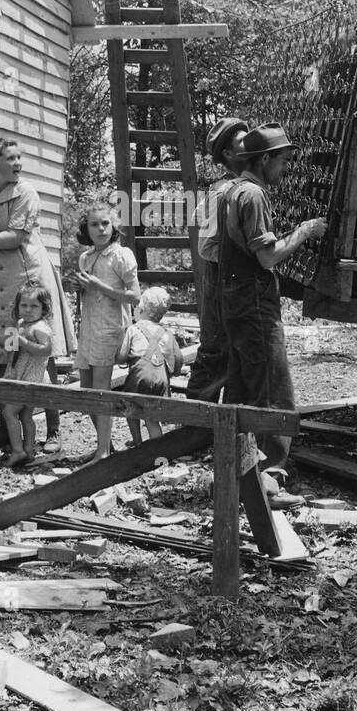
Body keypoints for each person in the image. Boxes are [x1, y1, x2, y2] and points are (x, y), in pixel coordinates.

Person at [217, 124, 328, 505]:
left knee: (244, 386)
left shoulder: (231, 190)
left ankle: (235, 474)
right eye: (282, 161)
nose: (285, 169)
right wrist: (304, 231)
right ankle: (268, 479)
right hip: (253, 302)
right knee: (274, 390)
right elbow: (268, 257)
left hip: (234, 298)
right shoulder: (255, 196)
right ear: (264, 159)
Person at [0, 138, 75, 454]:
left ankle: (53, 429)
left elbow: (12, 238)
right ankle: (8, 429)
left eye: (20, 157)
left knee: (40, 352)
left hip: (28, 273)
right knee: (8, 349)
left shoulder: (27, 193)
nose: (19, 163)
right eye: (12, 158)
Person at [185, 116, 249, 403]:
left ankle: (229, 421)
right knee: (215, 347)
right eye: (242, 141)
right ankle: (196, 420)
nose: (250, 144)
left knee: (239, 349)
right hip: (221, 278)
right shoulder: (222, 191)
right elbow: (206, 246)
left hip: (237, 279)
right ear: (228, 153)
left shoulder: (246, 185)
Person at [75, 202, 140, 463]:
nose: (101, 228)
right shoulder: (85, 258)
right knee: (86, 390)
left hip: (110, 328)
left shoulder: (121, 255)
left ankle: (102, 452)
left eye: (105, 223)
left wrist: (100, 286)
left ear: (113, 226)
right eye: (94, 224)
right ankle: (107, 445)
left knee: (101, 389)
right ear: (86, 229)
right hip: (89, 327)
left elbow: (135, 297)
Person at [118, 287, 184, 445]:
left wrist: (121, 358)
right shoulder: (167, 333)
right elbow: (179, 357)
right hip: (161, 380)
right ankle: (157, 447)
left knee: (130, 409)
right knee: (152, 417)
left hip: (140, 377)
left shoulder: (133, 330)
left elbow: (121, 357)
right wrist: (175, 372)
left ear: (140, 309)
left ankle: (137, 440)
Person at [0, 283, 54, 469]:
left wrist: (22, 342)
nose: (28, 310)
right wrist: (9, 344)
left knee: (9, 411)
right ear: (17, 307)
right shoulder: (22, 324)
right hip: (23, 375)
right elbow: (13, 351)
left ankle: (18, 451)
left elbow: (46, 350)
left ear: (44, 308)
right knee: (25, 415)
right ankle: (29, 450)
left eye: (34, 306)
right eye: (24, 306)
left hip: (32, 378)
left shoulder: (39, 327)